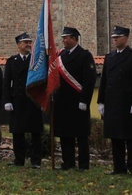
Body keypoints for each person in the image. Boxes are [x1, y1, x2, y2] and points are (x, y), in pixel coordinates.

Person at [97, 26, 132, 176]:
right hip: (112, 102)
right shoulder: (109, 57)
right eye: (113, 37)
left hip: (127, 102)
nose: (115, 40)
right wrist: (101, 101)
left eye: (117, 37)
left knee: (130, 136)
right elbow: (104, 80)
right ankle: (118, 167)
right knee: (115, 136)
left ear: (125, 38)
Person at [53, 27, 97, 171]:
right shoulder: (60, 56)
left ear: (74, 38)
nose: (63, 41)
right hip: (63, 102)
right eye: (63, 38)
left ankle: (83, 164)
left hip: (78, 101)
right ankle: (68, 162)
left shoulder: (84, 55)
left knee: (81, 135)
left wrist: (85, 100)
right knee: (65, 135)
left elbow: (89, 80)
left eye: (66, 38)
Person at [3, 32, 43, 168]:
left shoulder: (36, 60)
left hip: (32, 100)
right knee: (18, 132)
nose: (28, 45)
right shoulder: (11, 61)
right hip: (17, 100)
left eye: (30, 42)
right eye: (25, 42)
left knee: (35, 132)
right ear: (19, 45)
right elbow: (7, 82)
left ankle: (36, 161)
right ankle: (19, 159)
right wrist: (7, 100)